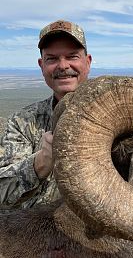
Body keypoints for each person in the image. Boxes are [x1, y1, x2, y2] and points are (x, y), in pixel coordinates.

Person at [0, 20, 92, 209]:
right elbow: (2, 193)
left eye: (72, 56)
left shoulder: (124, 118)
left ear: (87, 62)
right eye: (52, 59)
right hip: (32, 232)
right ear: (42, 65)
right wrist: (41, 162)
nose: (63, 66)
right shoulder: (22, 121)